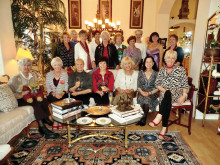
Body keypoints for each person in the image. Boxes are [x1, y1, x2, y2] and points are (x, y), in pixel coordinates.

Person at [8, 58, 55, 135]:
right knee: (35, 104)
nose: (27, 67)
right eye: (24, 65)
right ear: (20, 66)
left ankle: (45, 117)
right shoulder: (15, 78)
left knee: (43, 100)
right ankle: (42, 127)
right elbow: (9, 93)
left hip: (32, 97)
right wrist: (20, 94)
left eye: (28, 65)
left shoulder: (33, 75)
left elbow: (36, 86)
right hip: (21, 99)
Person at [149, 50, 188, 140]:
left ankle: (159, 117)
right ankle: (163, 128)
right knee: (167, 96)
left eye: (173, 58)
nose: (170, 59)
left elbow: (185, 84)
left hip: (177, 94)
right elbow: (157, 84)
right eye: (168, 57)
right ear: (165, 59)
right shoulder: (162, 70)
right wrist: (164, 90)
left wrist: (184, 96)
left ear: (175, 60)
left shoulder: (180, 69)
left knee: (168, 95)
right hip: (165, 94)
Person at [137, 56, 159, 126]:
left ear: (153, 63)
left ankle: (144, 118)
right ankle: (143, 116)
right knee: (141, 97)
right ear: (144, 63)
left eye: (150, 62)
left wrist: (149, 93)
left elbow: (158, 87)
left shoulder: (156, 74)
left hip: (153, 92)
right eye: (147, 62)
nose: (148, 63)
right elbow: (138, 86)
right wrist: (142, 92)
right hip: (142, 91)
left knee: (147, 99)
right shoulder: (141, 72)